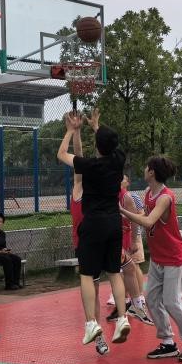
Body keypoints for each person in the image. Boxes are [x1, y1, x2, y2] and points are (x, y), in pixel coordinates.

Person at [58, 110, 131, 349]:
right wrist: (95, 127)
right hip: (114, 223)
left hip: (93, 226)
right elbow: (101, 146)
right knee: (115, 273)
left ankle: (91, 323)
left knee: (87, 276)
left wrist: (71, 130)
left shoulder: (89, 167)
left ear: (97, 146)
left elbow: (63, 154)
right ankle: (122, 318)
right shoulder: (118, 160)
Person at [120, 156, 182, 362]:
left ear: (152, 172)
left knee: (173, 301)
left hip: (174, 257)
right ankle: (167, 342)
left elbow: (148, 221)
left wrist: (121, 210)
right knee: (152, 300)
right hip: (158, 257)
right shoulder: (149, 193)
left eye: (146, 167)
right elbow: (144, 218)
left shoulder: (165, 197)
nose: (144, 169)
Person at [107, 175, 152, 325]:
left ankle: (137, 300)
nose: (120, 180)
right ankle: (127, 302)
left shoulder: (128, 197)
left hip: (127, 237)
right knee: (121, 271)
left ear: (127, 182)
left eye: (123, 179)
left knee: (131, 268)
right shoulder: (108, 193)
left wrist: (133, 240)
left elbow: (138, 217)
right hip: (114, 237)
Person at [0, 212, 25, 290]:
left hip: (2, 254)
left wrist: (6, 250)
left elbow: (3, 246)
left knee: (17, 259)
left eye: (0, 222)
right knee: (7, 259)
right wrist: (0, 252)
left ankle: (16, 282)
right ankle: (9, 285)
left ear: (2, 223)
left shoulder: (2, 233)